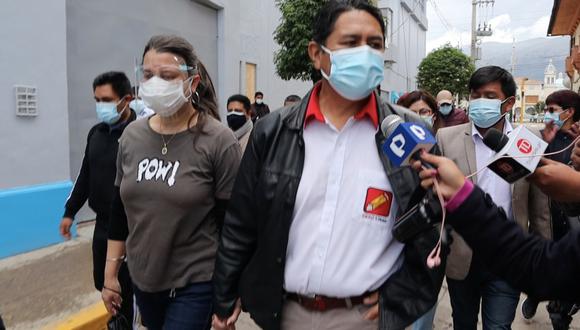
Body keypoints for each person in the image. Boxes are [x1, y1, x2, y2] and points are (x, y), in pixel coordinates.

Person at [212, 1, 445, 330]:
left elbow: (437, 227)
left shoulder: (410, 136)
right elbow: (241, 222)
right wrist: (224, 298)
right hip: (286, 313)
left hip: (365, 318)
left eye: (374, 44)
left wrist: (403, 295)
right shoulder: (273, 130)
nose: (365, 54)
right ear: (316, 53)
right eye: (350, 43)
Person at [101, 35, 242, 330]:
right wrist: (111, 274)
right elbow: (119, 211)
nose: (156, 83)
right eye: (149, 75)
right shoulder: (131, 137)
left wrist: (231, 289)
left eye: (168, 76)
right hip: (144, 280)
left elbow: (233, 222)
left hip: (195, 282)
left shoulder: (218, 141)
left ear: (192, 83)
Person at [435, 66, 551, 330]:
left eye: (489, 95)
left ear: (508, 103)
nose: (480, 102)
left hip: (508, 256)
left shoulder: (528, 142)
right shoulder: (447, 138)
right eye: (475, 95)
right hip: (461, 256)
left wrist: (543, 260)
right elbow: (435, 199)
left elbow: (539, 208)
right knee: (463, 323)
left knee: (499, 326)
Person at [411, 152, 580, 302]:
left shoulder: (529, 144)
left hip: (511, 258)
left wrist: (464, 199)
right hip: (466, 261)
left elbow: (543, 268)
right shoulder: (446, 135)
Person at [59, 71, 136, 325]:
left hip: (132, 228)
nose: (100, 106)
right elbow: (85, 175)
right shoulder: (96, 134)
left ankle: (125, 322)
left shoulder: (140, 135)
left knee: (128, 289)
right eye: (97, 100)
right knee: (103, 283)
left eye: (106, 100)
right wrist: (70, 211)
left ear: (127, 99)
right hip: (103, 226)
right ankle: (117, 321)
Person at [522, 90, 580, 327]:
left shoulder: (578, 142)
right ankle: (536, 295)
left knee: (561, 294)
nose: (548, 114)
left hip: (572, 225)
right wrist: (542, 141)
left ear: (570, 112)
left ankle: (560, 313)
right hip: (546, 223)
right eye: (546, 110)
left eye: (552, 110)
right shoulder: (543, 138)